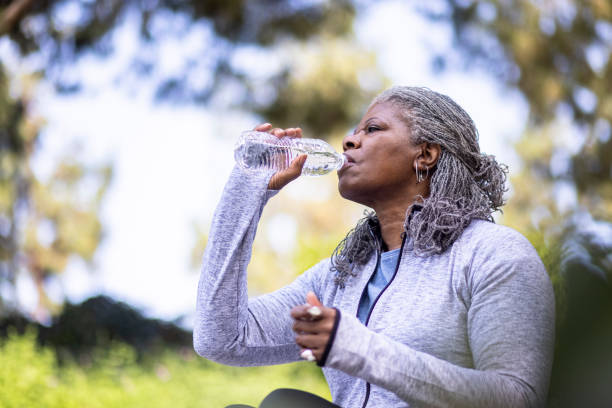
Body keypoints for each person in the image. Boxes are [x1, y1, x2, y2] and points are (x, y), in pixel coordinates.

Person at [194, 86, 555, 407]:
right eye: (354, 131)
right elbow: (221, 339)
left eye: (372, 129)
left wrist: (360, 348)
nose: (350, 141)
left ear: (426, 154)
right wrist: (246, 192)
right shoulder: (339, 277)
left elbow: (518, 396)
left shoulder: (492, 253)